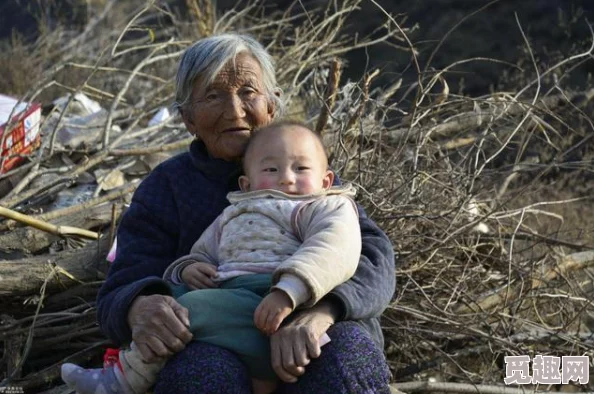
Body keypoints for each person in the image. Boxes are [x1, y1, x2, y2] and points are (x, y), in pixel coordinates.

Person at [62, 33, 395, 394]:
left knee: (345, 361)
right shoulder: (166, 188)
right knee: (201, 377)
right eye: (212, 95)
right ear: (187, 117)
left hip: (316, 330)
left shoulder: (306, 175)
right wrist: (141, 307)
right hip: (213, 339)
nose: (234, 110)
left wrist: (321, 313)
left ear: (272, 104)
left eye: (248, 92)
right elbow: (122, 284)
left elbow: (373, 259)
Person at [62, 122, 362, 394]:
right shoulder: (233, 212)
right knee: (166, 306)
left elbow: (335, 247)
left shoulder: (321, 206)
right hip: (234, 307)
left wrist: (289, 291)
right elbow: (203, 251)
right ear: (246, 184)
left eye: (301, 169)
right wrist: (189, 268)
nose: (286, 179)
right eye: (271, 170)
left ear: (326, 180)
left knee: (187, 310)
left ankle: (124, 380)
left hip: (276, 302)